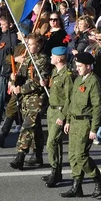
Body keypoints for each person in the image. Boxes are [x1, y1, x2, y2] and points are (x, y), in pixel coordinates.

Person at [61, 52, 101, 198]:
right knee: (72, 156)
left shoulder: (94, 82)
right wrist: (68, 120)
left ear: (89, 66)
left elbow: (97, 107)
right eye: (77, 66)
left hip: (85, 123)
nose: (78, 68)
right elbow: (72, 102)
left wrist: (94, 129)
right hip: (75, 121)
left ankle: (99, 179)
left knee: (81, 155)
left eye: (80, 66)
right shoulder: (78, 80)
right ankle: (76, 186)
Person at [9, 33, 50, 169]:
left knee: (27, 126)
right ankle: (38, 155)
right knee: (35, 127)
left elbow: (39, 82)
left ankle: (20, 154)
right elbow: (20, 75)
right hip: (26, 99)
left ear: (38, 46)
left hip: (36, 98)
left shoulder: (42, 60)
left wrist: (21, 89)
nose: (28, 46)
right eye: (27, 43)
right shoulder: (27, 58)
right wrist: (13, 79)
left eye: (31, 44)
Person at [41, 47, 74, 187]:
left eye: (53, 56)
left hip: (60, 111)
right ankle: (57, 171)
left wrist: (63, 115)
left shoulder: (67, 75)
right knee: (56, 142)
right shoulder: (55, 71)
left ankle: (55, 169)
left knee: (51, 142)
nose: (50, 58)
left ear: (60, 58)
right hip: (51, 110)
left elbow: (69, 98)